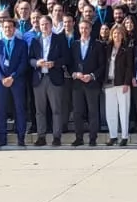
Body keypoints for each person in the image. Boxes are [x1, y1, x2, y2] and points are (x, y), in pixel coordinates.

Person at [29, 14, 71, 147]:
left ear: (51, 25)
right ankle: (41, 136)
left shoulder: (60, 39)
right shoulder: (35, 40)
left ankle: (56, 136)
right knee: (40, 110)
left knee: (56, 109)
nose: (44, 27)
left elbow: (66, 58)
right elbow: (30, 59)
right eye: (41, 25)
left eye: (46, 24)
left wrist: (55, 63)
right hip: (39, 79)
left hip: (54, 78)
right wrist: (37, 62)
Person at [68, 19, 105, 147]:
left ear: (90, 29)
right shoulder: (74, 45)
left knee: (92, 111)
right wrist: (74, 73)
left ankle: (93, 138)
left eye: (86, 28)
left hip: (92, 83)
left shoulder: (98, 45)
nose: (84, 31)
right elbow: (70, 63)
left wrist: (92, 76)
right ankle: (79, 137)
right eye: (82, 28)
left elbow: (102, 65)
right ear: (79, 29)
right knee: (78, 111)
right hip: (77, 84)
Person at [102, 23, 134, 146]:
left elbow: (129, 67)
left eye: (119, 33)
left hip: (122, 83)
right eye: (115, 33)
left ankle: (124, 136)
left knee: (124, 110)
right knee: (110, 110)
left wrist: (127, 82)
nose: (117, 35)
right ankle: (113, 135)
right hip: (109, 82)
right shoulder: (108, 47)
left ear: (123, 35)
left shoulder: (127, 48)